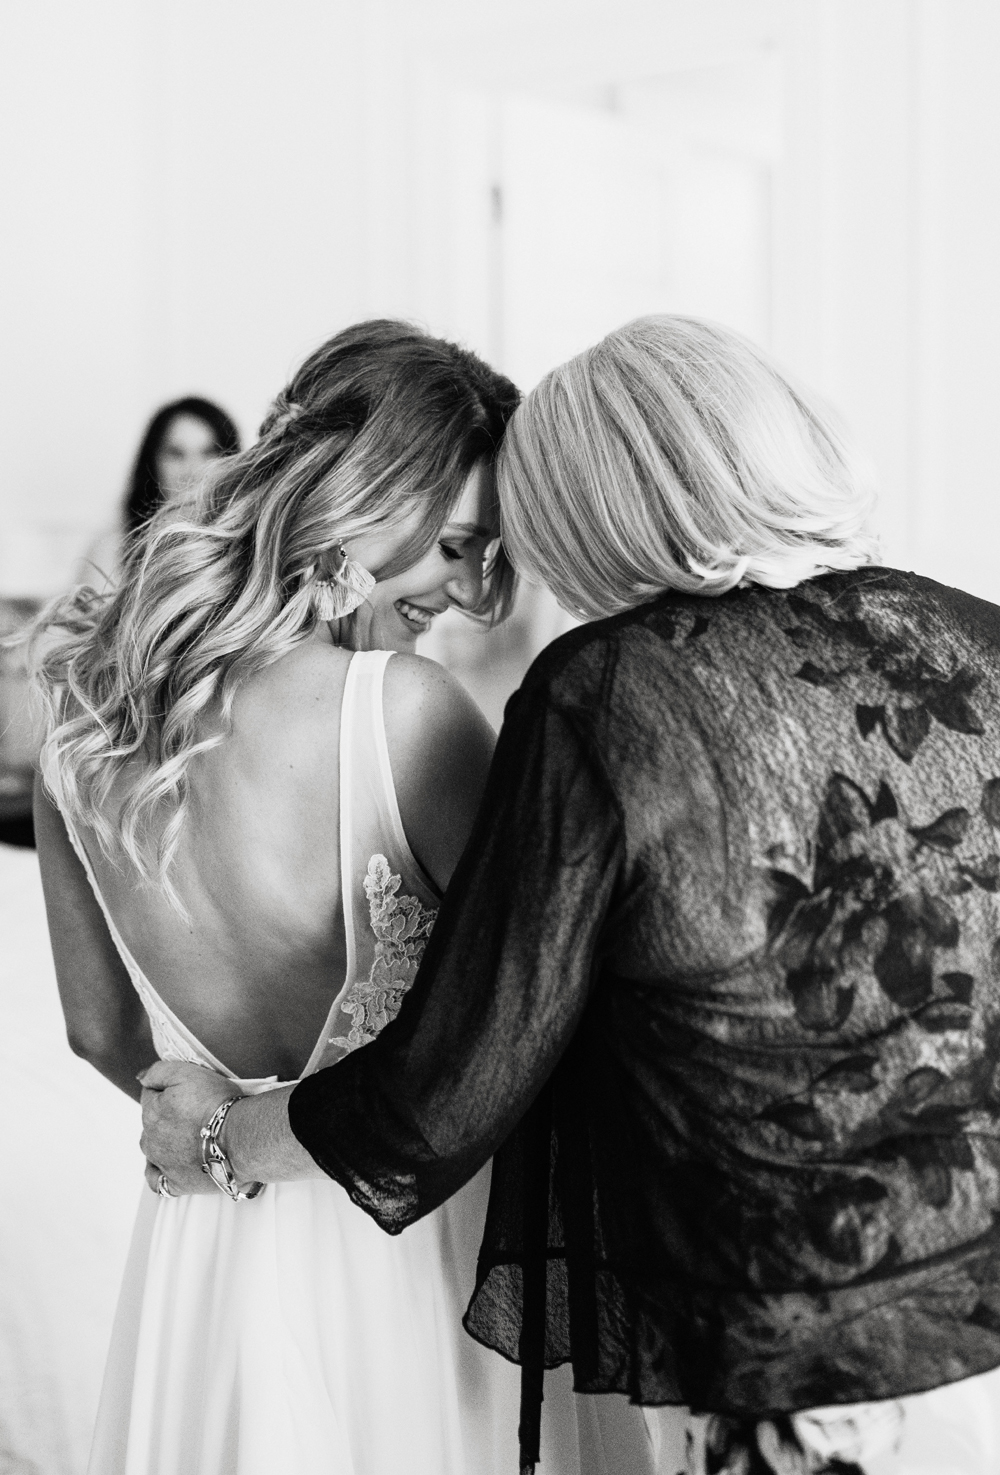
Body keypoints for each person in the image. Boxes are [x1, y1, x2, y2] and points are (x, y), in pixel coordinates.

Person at [143, 315, 1000, 1475]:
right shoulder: (973, 637)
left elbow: (436, 1096)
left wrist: (215, 1130)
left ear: (593, 508)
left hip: (793, 1363)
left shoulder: (606, 691)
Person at [32, 320, 592, 1475]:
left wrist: (222, 1120)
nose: (476, 592)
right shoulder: (408, 713)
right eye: (455, 542)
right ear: (363, 499)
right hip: (408, 1252)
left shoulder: (77, 728)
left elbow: (99, 1031)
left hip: (203, 1254)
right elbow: (525, 1018)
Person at [81, 396, 241, 585]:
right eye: (176, 454)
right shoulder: (111, 552)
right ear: (152, 463)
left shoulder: (248, 552)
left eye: (208, 453)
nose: (193, 470)